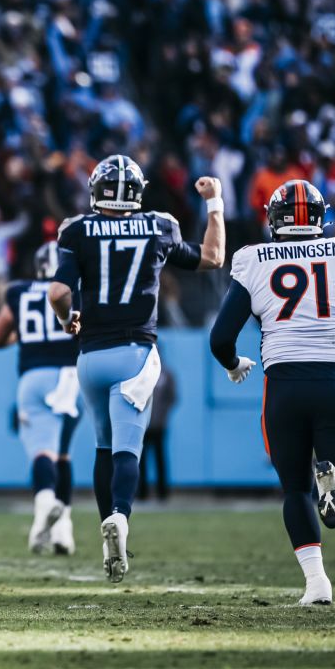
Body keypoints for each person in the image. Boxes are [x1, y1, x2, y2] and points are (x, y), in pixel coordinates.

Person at [210, 179, 335, 606]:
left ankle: (317, 584)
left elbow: (220, 338)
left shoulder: (254, 259)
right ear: (320, 218)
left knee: (295, 488)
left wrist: (234, 365)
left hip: (283, 385)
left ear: (274, 220)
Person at [49, 155, 225, 582]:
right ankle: (121, 519)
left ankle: (106, 523)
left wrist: (66, 317)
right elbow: (213, 258)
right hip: (135, 353)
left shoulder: (77, 229)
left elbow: (57, 292)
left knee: (103, 448)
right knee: (130, 447)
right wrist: (215, 203)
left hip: (90, 358)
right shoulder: (159, 225)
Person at [0, 241, 80, 554]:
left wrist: (23, 334)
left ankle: (44, 509)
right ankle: (63, 530)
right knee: (62, 455)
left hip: (35, 376)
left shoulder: (19, 291)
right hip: (73, 379)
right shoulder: (78, 289)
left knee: (43, 453)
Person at [138, 364, 175, 501]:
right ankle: (141, 492)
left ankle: (162, 492)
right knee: (141, 460)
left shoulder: (166, 374)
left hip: (159, 424)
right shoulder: (141, 372)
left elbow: (172, 397)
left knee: (160, 458)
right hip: (142, 424)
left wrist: (163, 415)